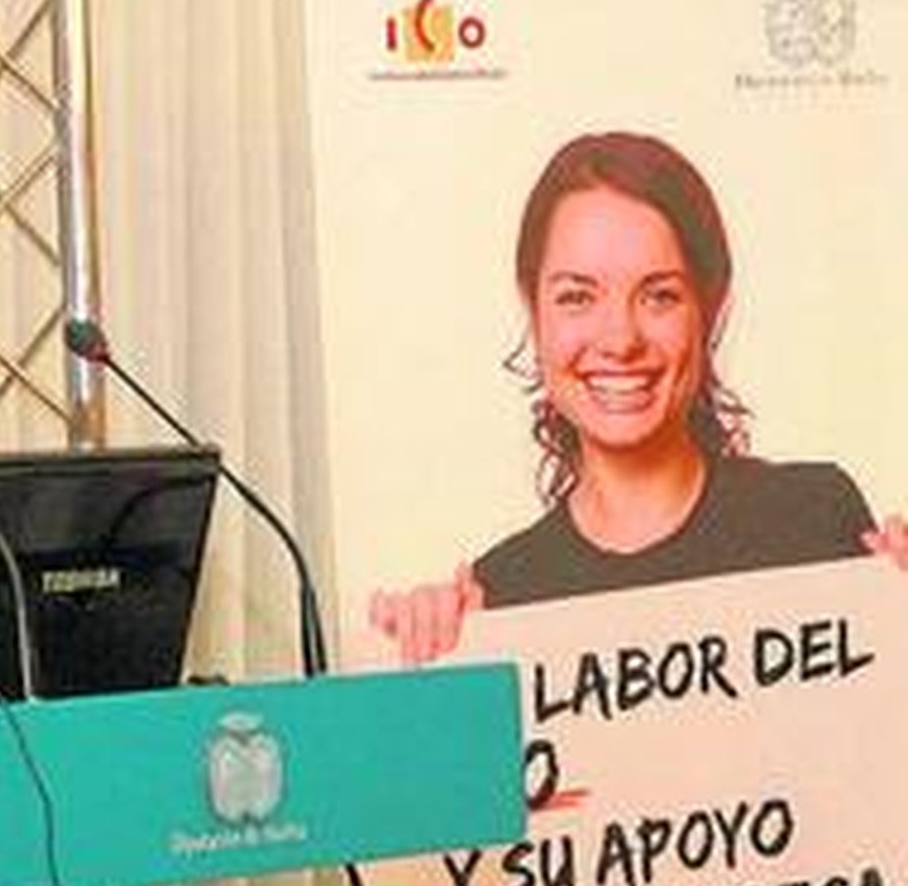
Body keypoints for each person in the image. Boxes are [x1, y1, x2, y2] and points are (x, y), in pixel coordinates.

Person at [371, 130, 907, 663]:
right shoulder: (501, 600)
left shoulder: (812, 518)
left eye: (660, 296)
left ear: (709, 305)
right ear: (533, 312)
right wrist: (429, 671)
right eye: (577, 296)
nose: (620, 340)